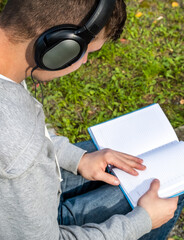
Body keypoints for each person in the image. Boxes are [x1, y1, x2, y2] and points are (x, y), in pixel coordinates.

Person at [0, 0, 183, 239]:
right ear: (59, 47)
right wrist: (142, 221)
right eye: (85, 51)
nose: (85, 61)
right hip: (36, 225)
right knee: (167, 193)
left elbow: (35, 139)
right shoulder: (16, 145)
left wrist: (79, 158)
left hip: (31, 185)